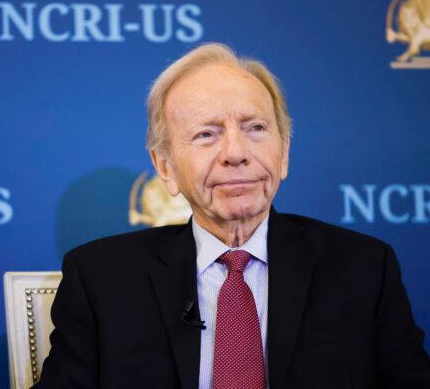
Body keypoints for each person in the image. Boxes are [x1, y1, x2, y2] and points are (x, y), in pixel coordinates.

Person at [35, 43, 430, 388]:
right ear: (165, 166)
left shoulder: (364, 267)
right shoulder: (100, 278)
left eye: (255, 127)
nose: (236, 152)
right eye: (207, 134)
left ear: (284, 151)